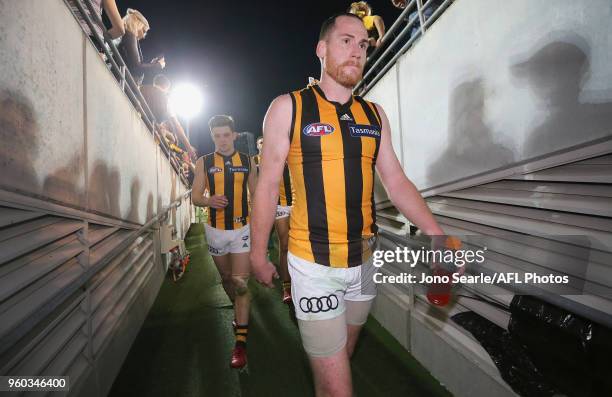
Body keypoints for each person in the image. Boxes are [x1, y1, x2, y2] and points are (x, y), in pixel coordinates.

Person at [250, 13, 446, 396]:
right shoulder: (287, 108)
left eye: (363, 45)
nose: (357, 50)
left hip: (365, 261)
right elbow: (268, 185)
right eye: (346, 41)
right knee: (340, 388)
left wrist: (436, 232)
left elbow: (397, 181)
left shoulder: (374, 115)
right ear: (321, 50)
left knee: (343, 357)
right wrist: (259, 253)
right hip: (313, 266)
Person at [192, 115, 257, 369]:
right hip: (216, 231)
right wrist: (209, 201)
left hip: (241, 228)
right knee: (227, 279)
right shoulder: (204, 162)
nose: (222, 140)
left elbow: (257, 191)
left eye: (226, 135)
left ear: (234, 135)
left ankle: (240, 344)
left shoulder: (247, 161)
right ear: (212, 137)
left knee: (241, 283)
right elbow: (196, 196)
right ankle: (239, 312)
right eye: (217, 136)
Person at [257, 136, 294, 304]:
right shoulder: (259, 160)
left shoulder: (291, 151)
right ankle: (287, 287)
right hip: (280, 205)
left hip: (300, 203)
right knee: (284, 244)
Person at [140, 74, 197, 159]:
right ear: (166, 87)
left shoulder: (141, 88)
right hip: (150, 129)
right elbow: (177, 125)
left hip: (138, 120)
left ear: (155, 83)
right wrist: (188, 147)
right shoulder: (166, 99)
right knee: (170, 138)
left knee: (170, 137)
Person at [117, 8, 164, 85]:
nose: (143, 36)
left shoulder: (122, 35)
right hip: (123, 82)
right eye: (144, 31)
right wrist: (156, 66)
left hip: (119, 77)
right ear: (136, 24)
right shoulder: (130, 36)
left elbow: (132, 63)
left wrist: (151, 64)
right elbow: (136, 67)